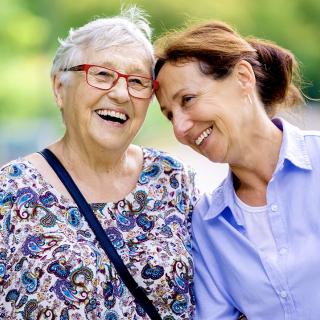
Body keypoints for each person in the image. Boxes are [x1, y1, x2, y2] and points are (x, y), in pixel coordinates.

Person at [0, 7, 199, 319]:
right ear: (59, 88)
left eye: (137, 82)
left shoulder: (172, 179)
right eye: (102, 74)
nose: (121, 93)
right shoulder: (10, 191)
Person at [154, 20, 320, 319]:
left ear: (243, 77)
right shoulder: (209, 222)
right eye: (169, 116)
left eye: (187, 100)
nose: (180, 128)